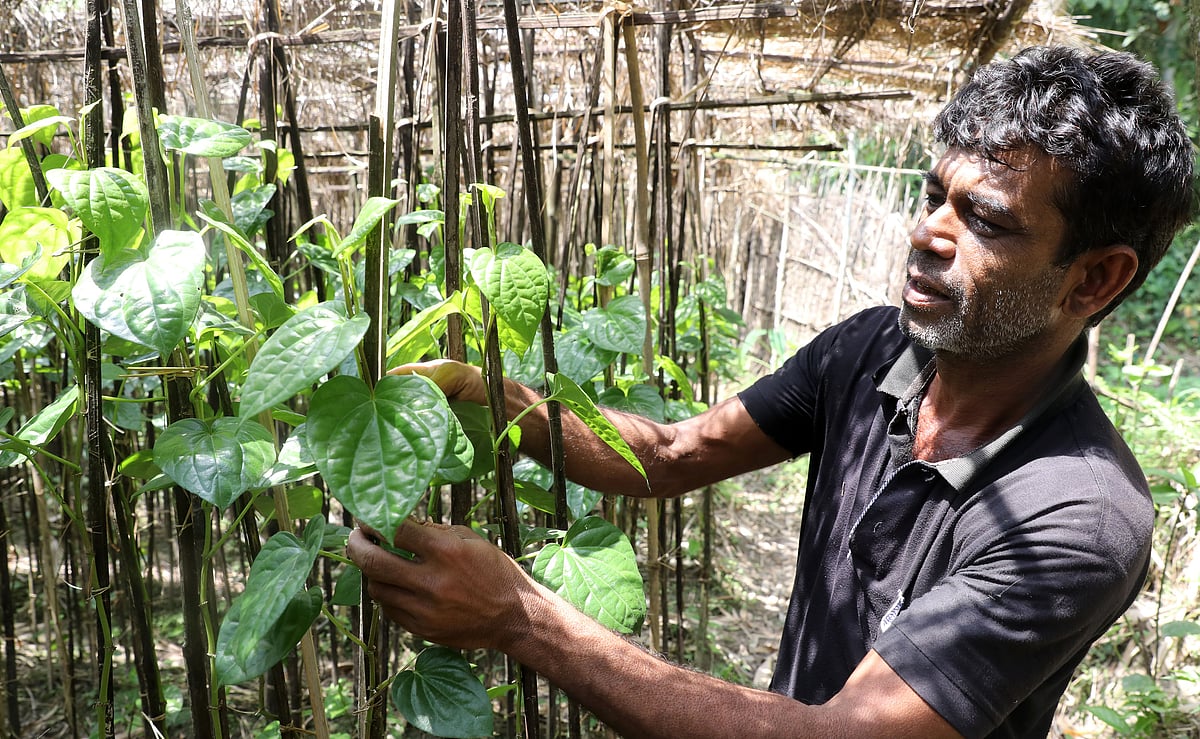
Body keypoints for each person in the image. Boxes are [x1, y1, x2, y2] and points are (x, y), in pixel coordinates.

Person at [346, 46, 1194, 738]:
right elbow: (671, 452)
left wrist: (522, 617)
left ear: (1095, 279)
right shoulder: (870, 350)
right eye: (934, 194)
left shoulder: (1077, 516)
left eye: (987, 219)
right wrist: (489, 395)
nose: (927, 230)